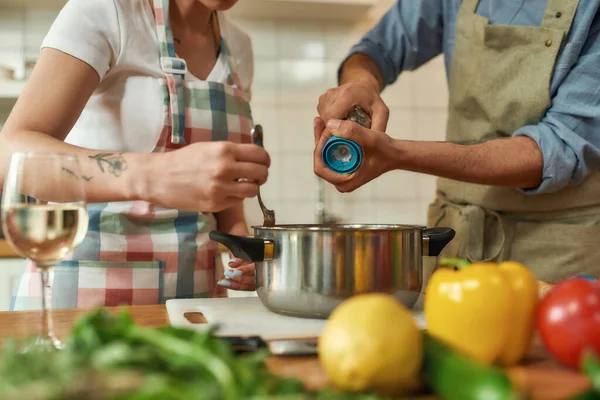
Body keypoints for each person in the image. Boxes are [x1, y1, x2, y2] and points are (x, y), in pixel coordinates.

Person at [0, 0, 266, 310]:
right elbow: (11, 151)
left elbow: (222, 193)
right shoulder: (106, 12)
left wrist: (238, 238)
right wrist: (152, 175)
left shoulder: (239, 48)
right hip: (82, 302)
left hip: (194, 303)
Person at [313, 0, 600, 283]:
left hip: (557, 254)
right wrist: (361, 83)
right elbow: (375, 50)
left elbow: (552, 151)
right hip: (456, 239)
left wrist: (397, 154)